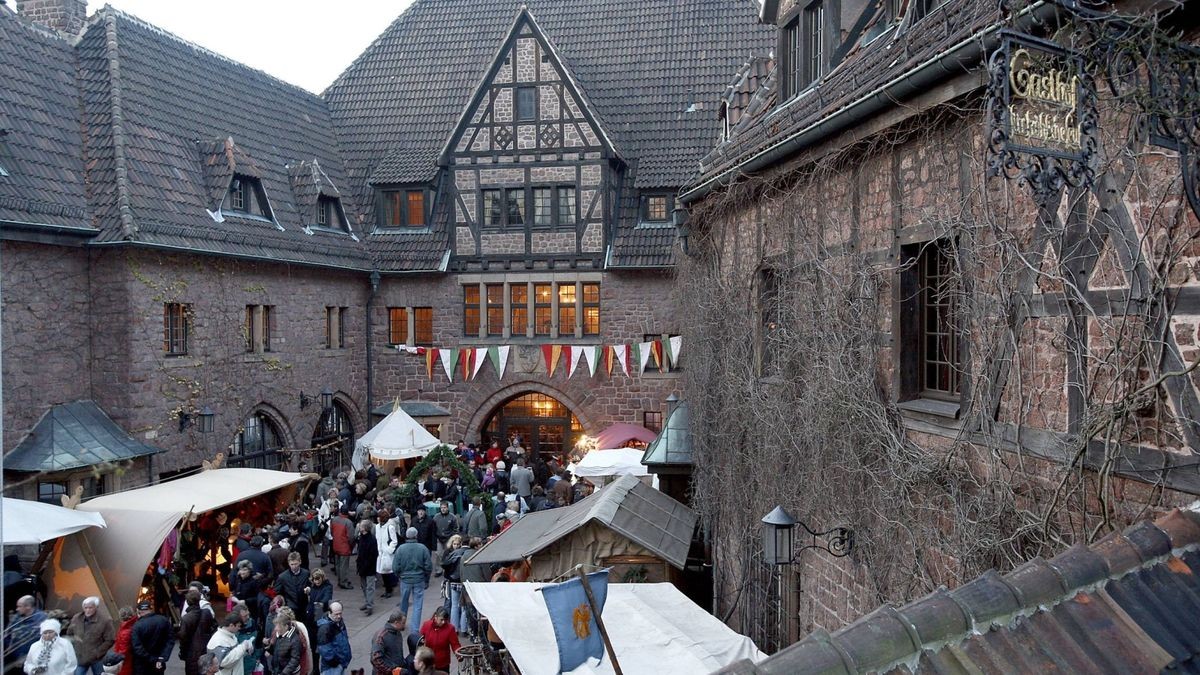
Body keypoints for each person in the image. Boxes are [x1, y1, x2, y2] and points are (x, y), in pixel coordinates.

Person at [391, 528, 431, 642]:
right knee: (418, 605)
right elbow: (428, 565)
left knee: (403, 603)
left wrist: (399, 575)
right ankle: (414, 629)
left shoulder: (401, 549)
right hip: (419, 579)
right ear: (416, 535)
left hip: (405, 580)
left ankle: (401, 624)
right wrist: (426, 578)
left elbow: (395, 567)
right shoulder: (422, 548)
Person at [65, 596, 115, 675]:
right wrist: (74, 648)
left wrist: (98, 652)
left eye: (90, 608)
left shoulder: (105, 620)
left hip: (96, 658)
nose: (87, 610)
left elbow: (110, 639)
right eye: (85, 608)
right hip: (80, 657)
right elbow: (70, 634)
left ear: (96, 607)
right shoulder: (76, 618)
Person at [177, 590, 216, 675]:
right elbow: (214, 626)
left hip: (192, 653)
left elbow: (183, 638)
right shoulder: (206, 613)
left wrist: (183, 653)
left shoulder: (186, 618)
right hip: (205, 648)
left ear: (187, 602)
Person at [128, 603, 173, 675]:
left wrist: (152, 659)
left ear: (138, 612)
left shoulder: (137, 626)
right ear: (151, 609)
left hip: (143, 665)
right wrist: (162, 657)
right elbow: (170, 640)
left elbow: (137, 648)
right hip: (159, 663)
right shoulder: (163, 620)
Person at [5, 595, 47, 670]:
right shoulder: (16, 617)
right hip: (12, 656)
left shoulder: (41, 619)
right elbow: (7, 635)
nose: (17, 609)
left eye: (19, 606)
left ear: (28, 607)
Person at [438, 536, 467, 632]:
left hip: (453, 581)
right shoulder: (463, 552)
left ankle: (454, 628)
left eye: (458, 544)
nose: (456, 546)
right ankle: (462, 629)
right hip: (460, 581)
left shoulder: (451, 553)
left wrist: (449, 574)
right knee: (461, 606)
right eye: (455, 544)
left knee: (454, 605)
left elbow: (444, 564)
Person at [272, 553, 311, 625]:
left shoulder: (306, 573)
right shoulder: (282, 577)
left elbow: (310, 585)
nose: (294, 567)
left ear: (300, 562)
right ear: (288, 563)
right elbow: (277, 592)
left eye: (296, 564)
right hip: (290, 608)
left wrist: (309, 589)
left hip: (303, 607)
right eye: (292, 564)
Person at [417, 608, 459, 673]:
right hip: (428, 663)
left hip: (443, 664)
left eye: (445, 620)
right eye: (441, 620)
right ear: (435, 617)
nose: (443, 622)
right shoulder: (426, 625)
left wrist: (459, 654)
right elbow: (419, 639)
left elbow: (455, 644)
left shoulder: (450, 628)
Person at [369, 610, 411, 675]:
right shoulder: (381, 637)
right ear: (397, 623)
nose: (404, 626)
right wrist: (391, 671)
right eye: (403, 623)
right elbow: (375, 659)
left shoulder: (397, 632)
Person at [313, 604, 350, 675]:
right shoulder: (325, 628)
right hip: (331, 667)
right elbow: (324, 648)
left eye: (340, 613)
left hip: (340, 663)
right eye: (336, 614)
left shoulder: (339, 622)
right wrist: (333, 661)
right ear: (330, 612)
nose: (339, 616)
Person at [373, 510, 400, 599]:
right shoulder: (377, 527)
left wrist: (389, 550)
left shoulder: (390, 527)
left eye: (378, 517)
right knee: (382, 572)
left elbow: (394, 541)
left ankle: (389, 589)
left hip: (387, 553)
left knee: (388, 571)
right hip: (380, 553)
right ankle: (387, 589)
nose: (377, 518)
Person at [328, 508, 355, 590]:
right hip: (344, 546)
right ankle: (343, 582)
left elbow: (332, 532)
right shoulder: (348, 522)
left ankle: (340, 580)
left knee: (338, 564)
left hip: (336, 544)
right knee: (344, 566)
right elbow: (351, 537)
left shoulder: (334, 520)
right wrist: (351, 545)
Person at [355, 520, 379, 615]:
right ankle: (367, 602)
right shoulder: (361, 538)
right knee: (364, 586)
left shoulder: (371, 539)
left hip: (369, 567)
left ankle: (370, 606)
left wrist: (365, 565)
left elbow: (373, 555)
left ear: (365, 528)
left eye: (360, 526)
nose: (359, 527)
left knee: (369, 587)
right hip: (362, 566)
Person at [431, 503, 459, 577]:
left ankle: (449, 569)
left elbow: (456, 529)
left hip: (449, 539)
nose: (443, 509)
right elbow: (433, 528)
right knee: (439, 554)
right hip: (439, 539)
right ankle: (438, 570)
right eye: (441, 507)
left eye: (444, 507)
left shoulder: (452, 517)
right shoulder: (436, 517)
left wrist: (452, 538)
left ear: (448, 508)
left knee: (449, 555)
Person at [110, 607, 137, 675]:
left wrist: (116, 660)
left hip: (125, 662)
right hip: (131, 659)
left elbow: (123, 651)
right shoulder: (133, 625)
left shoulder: (125, 631)